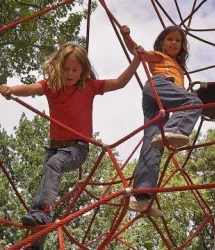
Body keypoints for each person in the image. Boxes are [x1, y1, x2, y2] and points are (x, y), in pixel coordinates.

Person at [0, 42, 143, 249]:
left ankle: (45, 211)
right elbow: (30, 88)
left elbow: (120, 82)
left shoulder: (89, 87)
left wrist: (137, 60)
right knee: (39, 196)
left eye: (75, 70)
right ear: (59, 67)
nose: (69, 73)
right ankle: (35, 244)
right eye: (66, 69)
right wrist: (10, 89)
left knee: (53, 168)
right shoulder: (52, 86)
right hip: (54, 148)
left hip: (77, 148)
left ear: (83, 70)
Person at [121, 25, 202, 217]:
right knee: (193, 101)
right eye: (170, 39)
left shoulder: (179, 67)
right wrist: (127, 36)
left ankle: (142, 197)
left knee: (153, 145)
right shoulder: (160, 56)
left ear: (182, 46)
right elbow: (137, 51)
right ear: (162, 43)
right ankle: (175, 129)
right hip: (159, 85)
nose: (174, 43)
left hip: (158, 102)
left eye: (178, 40)